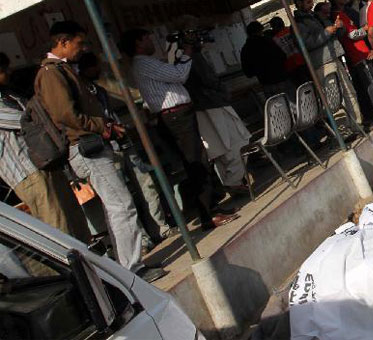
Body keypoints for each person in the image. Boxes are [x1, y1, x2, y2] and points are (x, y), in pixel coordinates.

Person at [37, 22, 164, 280]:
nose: (81, 49)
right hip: (85, 148)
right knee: (122, 207)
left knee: (118, 206)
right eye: (78, 43)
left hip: (92, 144)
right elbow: (65, 114)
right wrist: (102, 126)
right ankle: (131, 270)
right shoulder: (52, 73)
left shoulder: (62, 71)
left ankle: (131, 265)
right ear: (63, 42)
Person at [122, 28, 237, 232]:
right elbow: (179, 75)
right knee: (196, 162)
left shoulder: (147, 63)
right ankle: (207, 215)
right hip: (175, 117)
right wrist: (186, 52)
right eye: (147, 37)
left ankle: (212, 207)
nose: (151, 40)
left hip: (178, 115)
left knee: (198, 160)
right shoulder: (144, 63)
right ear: (138, 42)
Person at [77, 52, 177, 246]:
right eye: (97, 66)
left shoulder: (100, 89)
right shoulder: (83, 95)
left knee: (146, 184)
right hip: (105, 147)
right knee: (123, 197)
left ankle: (161, 227)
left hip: (122, 140)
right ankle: (143, 240)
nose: (100, 70)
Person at [0, 52, 89, 242]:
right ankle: (78, 270)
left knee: (74, 217)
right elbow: (26, 121)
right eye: (3, 70)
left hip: (46, 161)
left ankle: (95, 265)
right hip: (26, 171)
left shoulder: (9, 94)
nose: (7, 74)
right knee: (58, 224)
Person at [184, 49, 250, 197]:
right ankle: (233, 181)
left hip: (200, 107)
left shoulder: (176, 57)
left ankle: (232, 181)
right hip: (212, 104)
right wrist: (223, 91)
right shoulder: (192, 56)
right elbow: (209, 79)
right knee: (238, 141)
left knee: (219, 149)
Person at [293, 0, 361, 123]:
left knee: (349, 92)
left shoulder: (314, 16)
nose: (311, 4)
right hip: (322, 64)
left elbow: (333, 32)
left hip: (334, 56)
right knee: (335, 98)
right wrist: (326, 33)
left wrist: (337, 27)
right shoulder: (298, 24)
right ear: (299, 3)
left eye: (311, 1)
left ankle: (357, 123)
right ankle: (346, 128)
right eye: (307, 2)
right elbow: (306, 44)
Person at [327, 0, 373, 128]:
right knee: (371, 84)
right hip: (358, 53)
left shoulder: (344, 13)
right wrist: (366, 29)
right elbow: (352, 34)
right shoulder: (338, 15)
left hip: (359, 52)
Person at [240, 21, 295, 96]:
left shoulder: (245, 50)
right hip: (282, 78)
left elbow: (248, 73)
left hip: (267, 84)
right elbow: (282, 56)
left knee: (278, 106)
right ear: (260, 30)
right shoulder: (268, 41)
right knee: (294, 103)